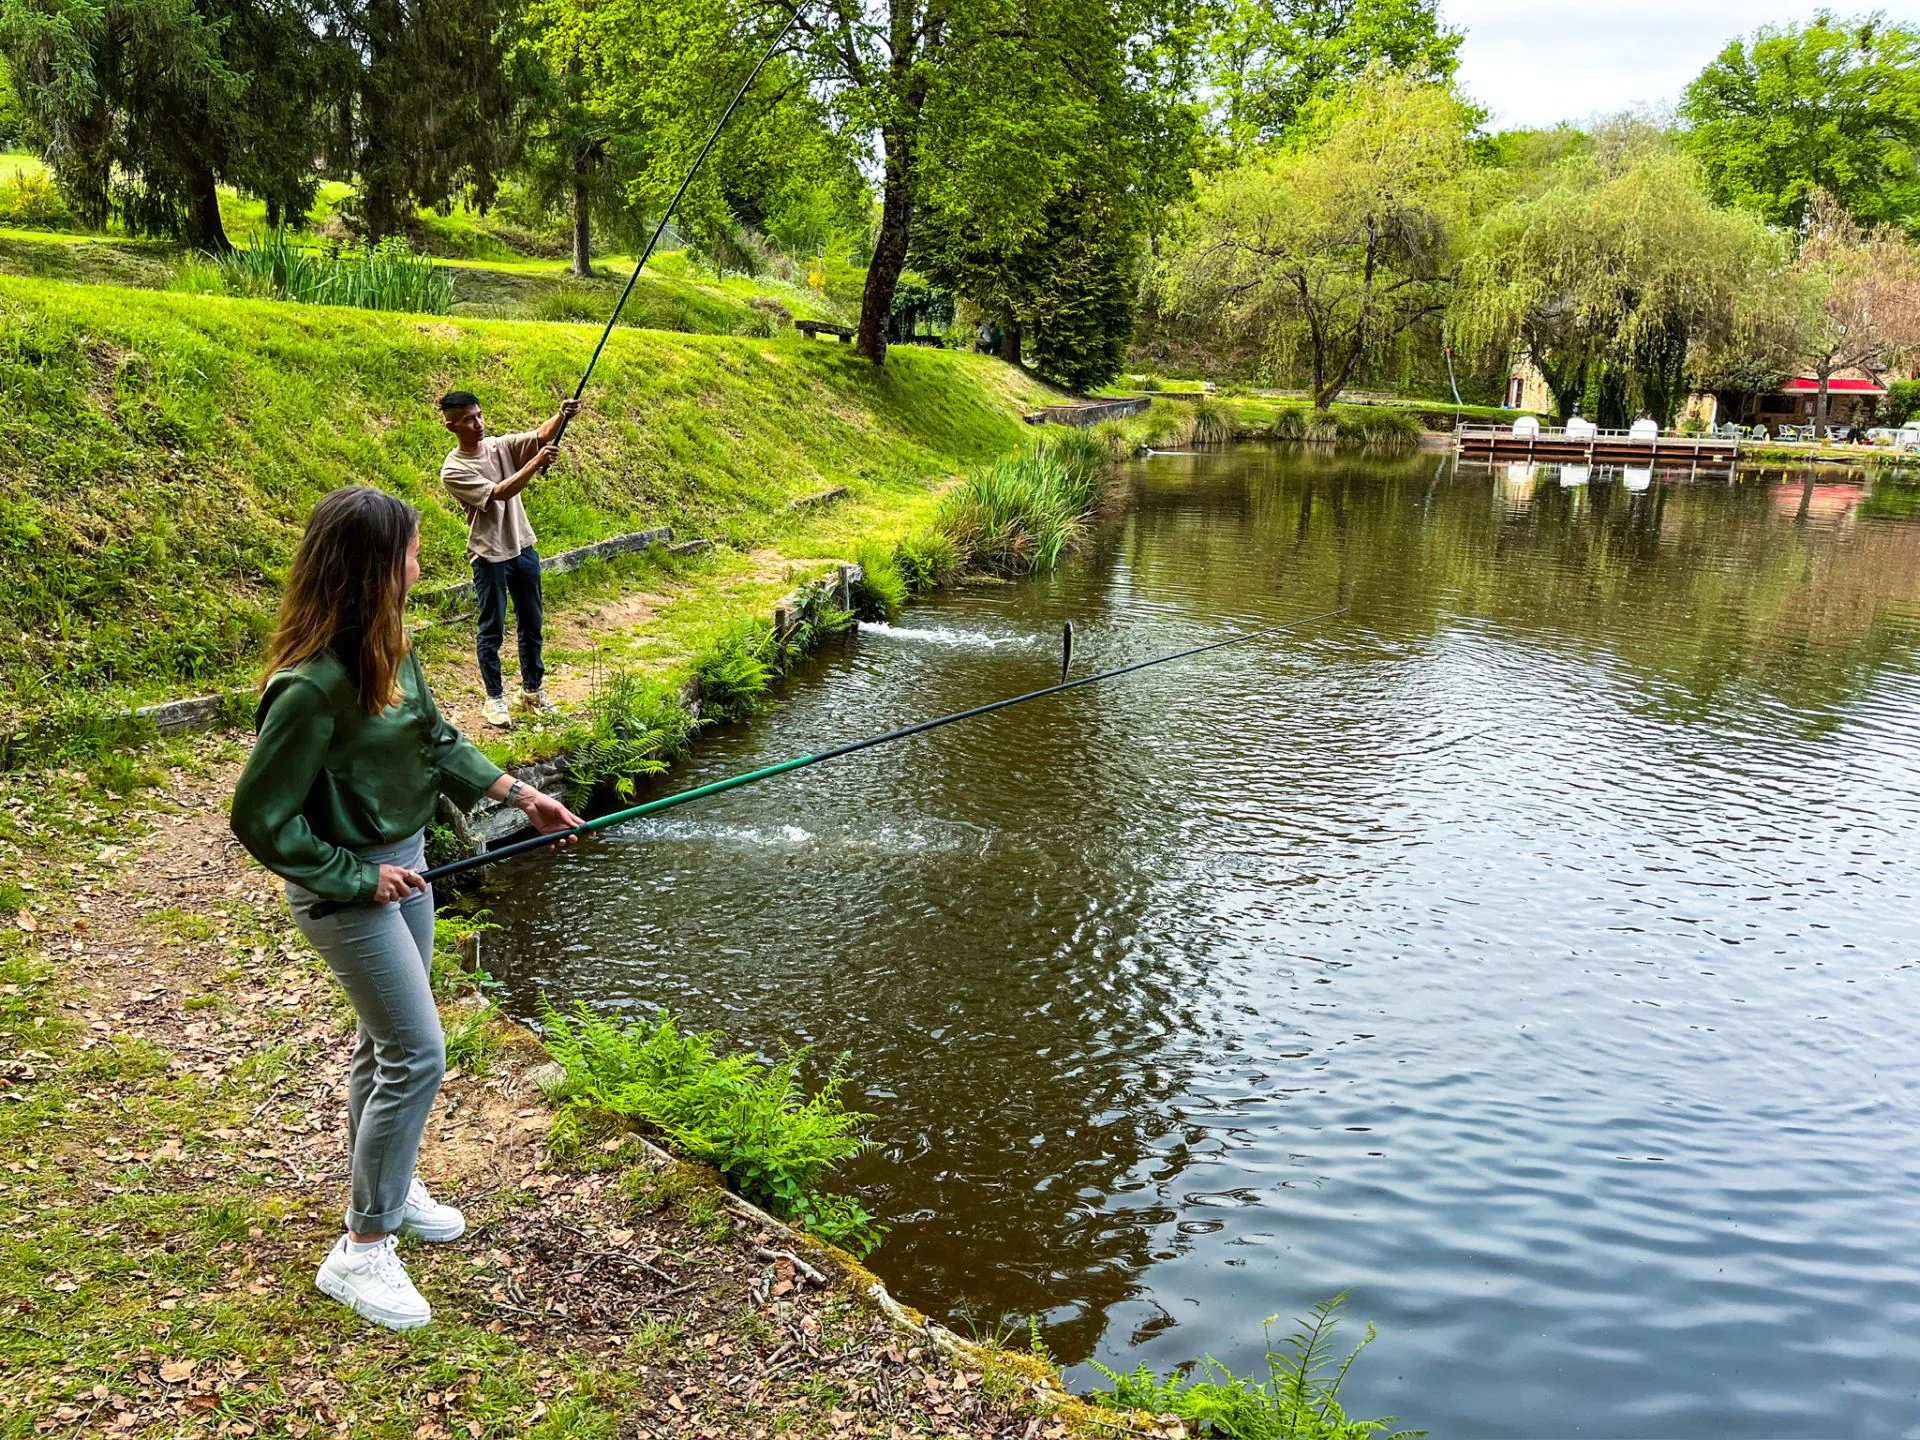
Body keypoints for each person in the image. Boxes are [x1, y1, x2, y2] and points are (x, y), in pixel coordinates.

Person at [231, 486, 585, 1330]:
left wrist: (518, 792)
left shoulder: (393, 647)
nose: (424, 564)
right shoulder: (311, 689)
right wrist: (354, 878)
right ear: (371, 570)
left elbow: (435, 739)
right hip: (344, 887)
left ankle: (387, 1184)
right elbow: (259, 817)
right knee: (420, 1053)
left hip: (409, 865)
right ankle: (361, 1249)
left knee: (382, 1046)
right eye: (413, 553)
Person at [437, 391, 582, 728]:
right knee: (492, 630)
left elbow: (540, 436)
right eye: (469, 419)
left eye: (480, 415)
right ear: (451, 426)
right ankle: (495, 699)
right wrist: (536, 463)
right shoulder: (454, 469)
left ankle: (531, 691)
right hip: (489, 555)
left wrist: (563, 415)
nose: (479, 423)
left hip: (522, 547)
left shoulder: (498, 446)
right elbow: (500, 492)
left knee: (532, 623)